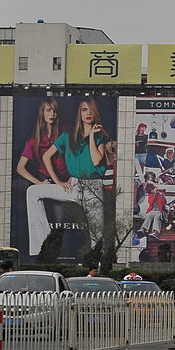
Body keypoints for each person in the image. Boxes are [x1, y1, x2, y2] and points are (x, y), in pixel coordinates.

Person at [31, 97, 112, 257]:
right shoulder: (68, 135)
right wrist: (57, 181)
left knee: (97, 234)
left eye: (91, 110)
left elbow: (96, 160)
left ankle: (97, 267)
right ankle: (40, 246)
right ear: (79, 113)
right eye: (84, 109)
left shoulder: (99, 136)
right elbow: (47, 156)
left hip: (93, 187)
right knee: (33, 192)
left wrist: (90, 137)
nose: (88, 113)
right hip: (73, 185)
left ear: (95, 113)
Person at [17, 97, 68, 254]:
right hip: (45, 179)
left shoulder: (65, 131)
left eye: (54, 110)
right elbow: (20, 168)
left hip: (63, 180)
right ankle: (42, 251)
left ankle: (56, 254)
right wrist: (37, 182)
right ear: (42, 113)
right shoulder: (34, 138)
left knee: (60, 221)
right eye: (48, 110)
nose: (52, 113)